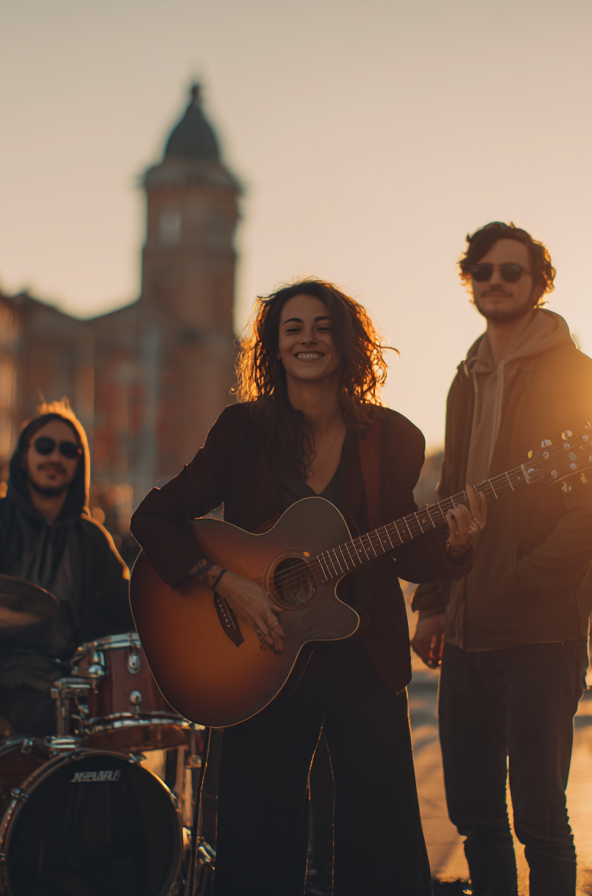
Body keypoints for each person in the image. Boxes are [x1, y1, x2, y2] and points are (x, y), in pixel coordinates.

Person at [131, 278, 485, 895]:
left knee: (383, 841)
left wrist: (456, 544)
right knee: (255, 843)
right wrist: (223, 582)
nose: (308, 339)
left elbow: (402, 548)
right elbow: (153, 517)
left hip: (362, 653)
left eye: (322, 327)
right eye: (293, 327)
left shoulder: (392, 437)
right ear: (274, 344)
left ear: (347, 342)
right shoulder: (241, 431)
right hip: (255, 653)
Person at [411, 221, 592, 895]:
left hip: (539, 633)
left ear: (539, 283)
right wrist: (436, 604)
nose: (495, 282)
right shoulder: (465, 378)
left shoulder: (576, 374)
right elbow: (450, 497)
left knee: (539, 819)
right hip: (467, 635)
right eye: (483, 271)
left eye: (511, 271)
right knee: (474, 814)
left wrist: (524, 581)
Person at [0, 401, 132, 735]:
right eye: (44, 447)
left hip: (73, 689)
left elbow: (127, 619)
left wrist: (99, 662)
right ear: (24, 457)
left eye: (68, 450)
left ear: (79, 464)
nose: (55, 457)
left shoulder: (93, 542)